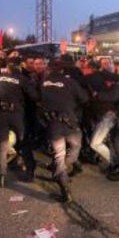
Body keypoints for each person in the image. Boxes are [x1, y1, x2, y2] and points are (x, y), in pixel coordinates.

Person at [40, 61, 89, 203]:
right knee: (76, 145)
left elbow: (38, 99)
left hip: (53, 124)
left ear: (49, 70)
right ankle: (68, 165)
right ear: (62, 70)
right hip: (70, 122)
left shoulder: (43, 83)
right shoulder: (70, 82)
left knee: (58, 155)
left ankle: (64, 189)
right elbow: (84, 98)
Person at [0, 57, 38, 188]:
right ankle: (30, 171)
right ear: (19, 66)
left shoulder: (1, 77)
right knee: (24, 143)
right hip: (16, 114)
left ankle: (0, 176)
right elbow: (34, 96)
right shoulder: (22, 79)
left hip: (1, 114)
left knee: (2, 144)